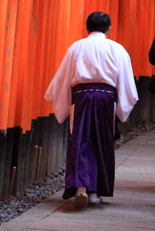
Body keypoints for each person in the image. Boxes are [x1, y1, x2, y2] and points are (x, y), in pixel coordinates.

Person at [44, 11, 139, 208]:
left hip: (82, 98)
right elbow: (126, 81)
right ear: (109, 28)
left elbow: (64, 77)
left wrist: (62, 104)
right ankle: (95, 191)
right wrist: (122, 108)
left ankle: (80, 187)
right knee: (102, 141)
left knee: (80, 141)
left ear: (87, 27)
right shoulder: (117, 49)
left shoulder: (77, 47)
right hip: (106, 99)